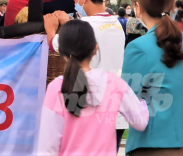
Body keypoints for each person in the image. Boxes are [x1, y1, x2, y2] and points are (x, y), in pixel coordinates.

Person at [37, 20, 148, 155]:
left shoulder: (56, 88)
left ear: (63, 52)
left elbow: (47, 148)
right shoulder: (113, 82)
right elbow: (140, 122)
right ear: (95, 49)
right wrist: (144, 102)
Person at [44, 0, 128, 150]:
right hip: (116, 111)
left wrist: (52, 29)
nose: (75, 6)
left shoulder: (86, 27)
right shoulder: (116, 24)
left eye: (75, 1)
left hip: (91, 111)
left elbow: (57, 45)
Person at [122, 0, 183, 154]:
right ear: (172, 5)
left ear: (138, 7)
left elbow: (128, 104)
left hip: (151, 145)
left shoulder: (137, 48)